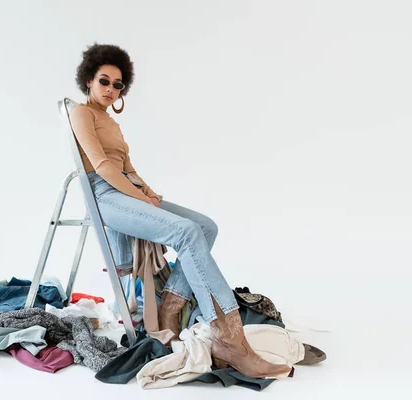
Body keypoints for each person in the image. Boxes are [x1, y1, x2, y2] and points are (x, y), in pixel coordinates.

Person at [69, 43, 291, 379]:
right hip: (106, 195)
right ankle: (232, 342)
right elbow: (103, 168)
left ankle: (169, 310)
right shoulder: (81, 113)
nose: (111, 90)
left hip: (126, 189)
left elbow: (127, 165)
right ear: (88, 80)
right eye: (104, 81)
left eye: (117, 84)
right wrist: (138, 196)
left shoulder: (109, 121)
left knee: (205, 227)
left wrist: (148, 192)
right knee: (185, 232)